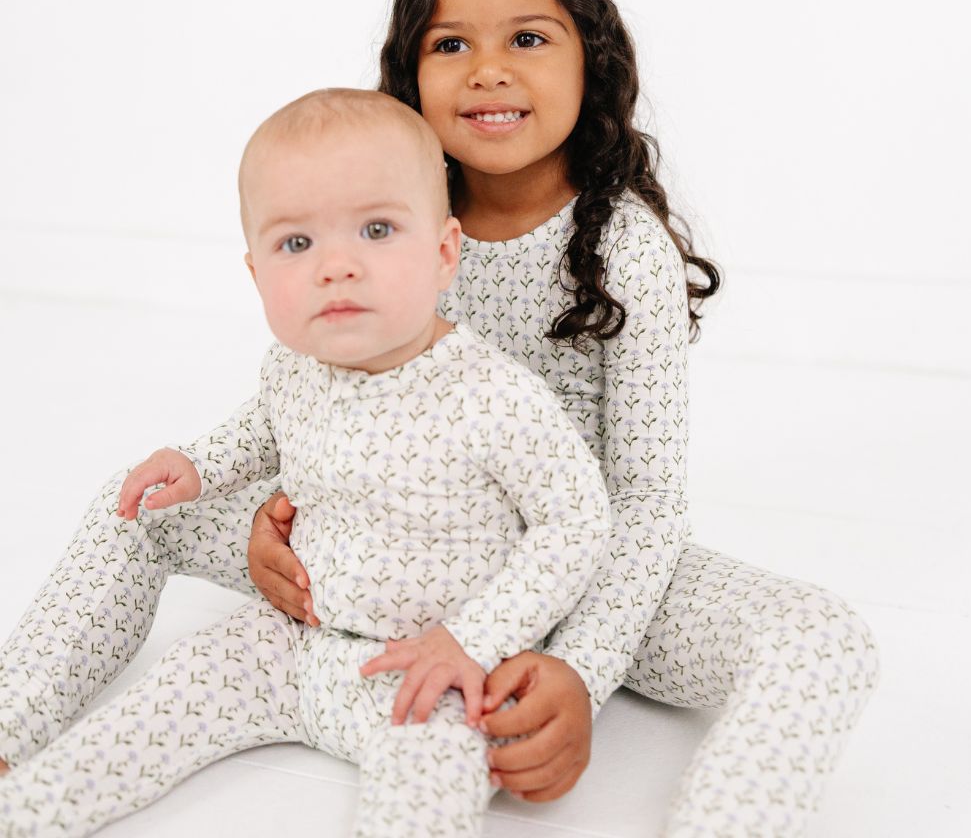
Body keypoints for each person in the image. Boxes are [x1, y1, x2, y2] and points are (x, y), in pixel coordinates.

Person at [0, 0, 880, 837]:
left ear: (592, 61)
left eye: (528, 38)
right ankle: (12, 726)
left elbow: (645, 505)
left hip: (568, 564)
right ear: (410, 72)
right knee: (138, 505)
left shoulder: (623, 250)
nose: (488, 70)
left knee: (819, 636)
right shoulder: (378, 204)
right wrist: (277, 518)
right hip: (373, 546)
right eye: (451, 43)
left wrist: (580, 666)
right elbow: (316, 392)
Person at [0, 87, 611, 837]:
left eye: (377, 230)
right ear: (257, 275)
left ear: (444, 253)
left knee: (429, 787)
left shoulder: (493, 396)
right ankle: (18, 779)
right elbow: (261, 429)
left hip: (424, 672)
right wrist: (196, 463)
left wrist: (475, 639)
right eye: (297, 245)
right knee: (162, 701)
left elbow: (576, 523)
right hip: (292, 641)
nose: (337, 267)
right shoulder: (293, 365)